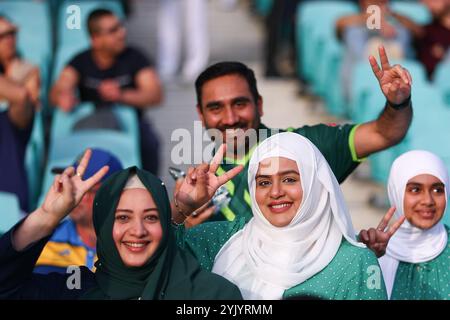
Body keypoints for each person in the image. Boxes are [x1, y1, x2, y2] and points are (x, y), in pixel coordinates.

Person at [191, 45, 412, 223]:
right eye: (216, 108)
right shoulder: (197, 189)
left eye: (239, 103)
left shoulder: (307, 145)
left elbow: (385, 134)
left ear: (259, 104)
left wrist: (398, 103)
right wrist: (184, 222)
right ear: (201, 115)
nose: (230, 119)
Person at [0, 149, 243, 300]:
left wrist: (182, 208)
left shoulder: (212, 294)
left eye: (151, 217)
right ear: (104, 224)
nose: (137, 231)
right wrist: (46, 217)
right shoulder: (75, 289)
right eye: (122, 217)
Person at [173, 133, 389, 300]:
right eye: (264, 182)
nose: (275, 192)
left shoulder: (355, 262)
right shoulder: (221, 240)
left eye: (289, 179)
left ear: (316, 183)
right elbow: (154, 259)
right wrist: (182, 207)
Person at [50, 9, 163, 175]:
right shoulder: (80, 60)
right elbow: (58, 89)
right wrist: (63, 97)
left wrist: (121, 95)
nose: (121, 33)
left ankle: (150, 188)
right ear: (95, 39)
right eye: (113, 30)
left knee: (151, 143)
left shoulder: (135, 57)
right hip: (88, 126)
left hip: (131, 126)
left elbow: (155, 94)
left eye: (120, 27)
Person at [34, 149, 123, 274]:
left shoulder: (133, 247)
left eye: (88, 189)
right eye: (71, 185)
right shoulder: (43, 244)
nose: (74, 194)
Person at [377, 150, 450, 300]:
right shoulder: (369, 250)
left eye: (437, 190)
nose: (428, 200)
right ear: (396, 192)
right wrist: (368, 258)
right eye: (415, 190)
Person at [0, 15, 40, 213]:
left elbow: (22, 96)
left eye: (12, 33)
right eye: (2, 36)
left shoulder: (28, 69)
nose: (10, 39)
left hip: (8, 183)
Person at [336, 0, 414, 101]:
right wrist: (375, 20)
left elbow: (420, 32)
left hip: (396, 89)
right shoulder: (352, 27)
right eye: (376, 3)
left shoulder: (399, 28)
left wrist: (391, 17)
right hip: (361, 89)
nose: (380, 6)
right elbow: (339, 25)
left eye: (383, 3)